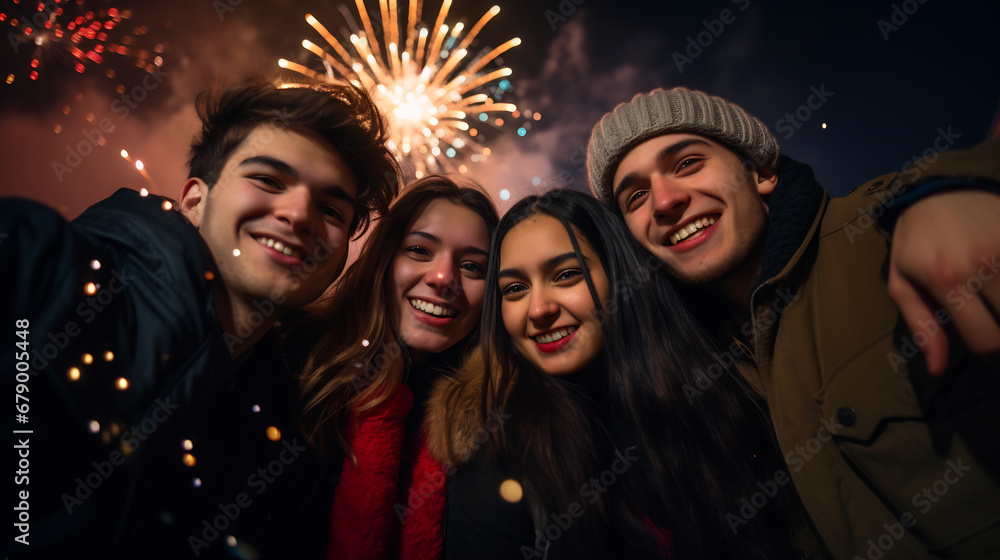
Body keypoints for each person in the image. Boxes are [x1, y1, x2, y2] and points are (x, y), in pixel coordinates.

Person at [585, 87, 1000, 558]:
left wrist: (954, 192)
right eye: (635, 196)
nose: (664, 201)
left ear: (761, 172)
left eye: (687, 163)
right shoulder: (694, 366)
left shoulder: (885, 239)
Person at [2, 75, 399, 559]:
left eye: (331, 210)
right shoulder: (40, 265)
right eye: (268, 180)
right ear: (193, 200)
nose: (299, 215)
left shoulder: (297, 419)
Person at [428, 189, 817, 559]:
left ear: (620, 276)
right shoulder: (496, 463)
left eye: (566, 275)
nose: (538, 309)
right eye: (514, 288)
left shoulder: (727, 398)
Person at [293, 175, 499, 559]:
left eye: (472, 266)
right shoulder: (297, 365)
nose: (443, 279)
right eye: (420, 250)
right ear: (384, 259)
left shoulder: (498, 420)